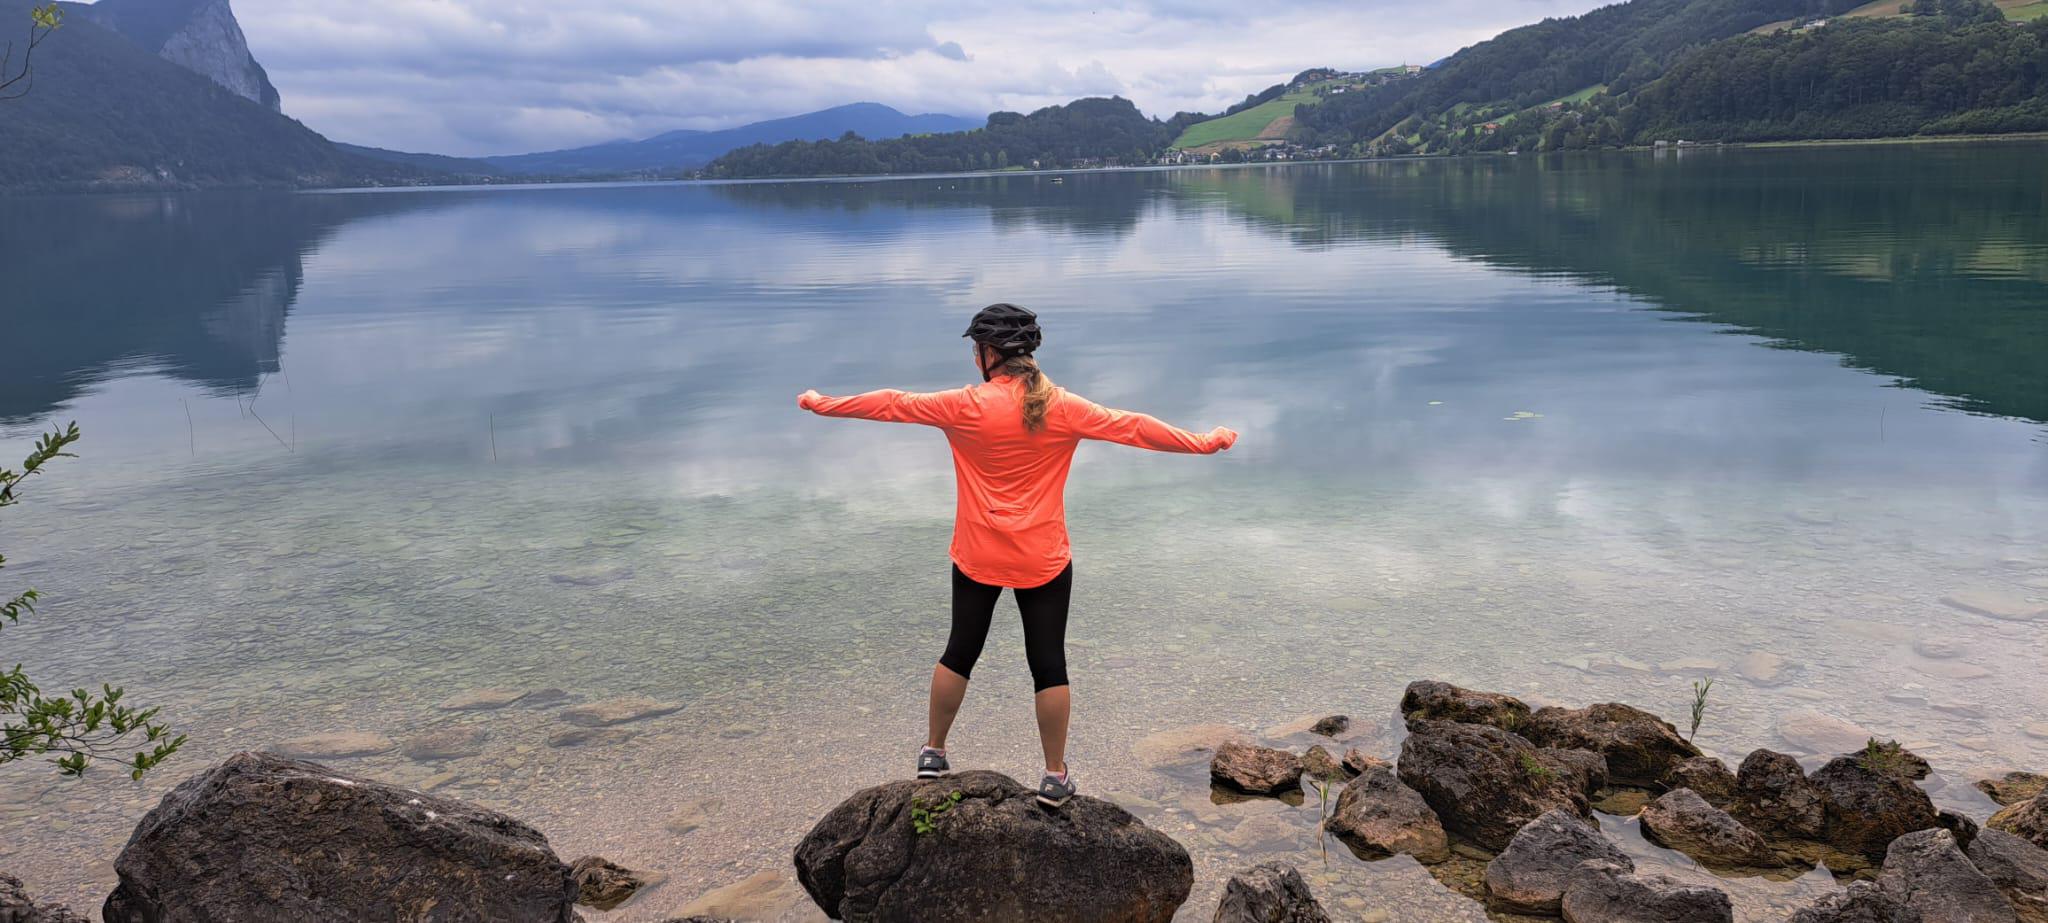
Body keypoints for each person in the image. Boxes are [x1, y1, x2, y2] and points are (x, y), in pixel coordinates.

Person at [796, 303, 1237, 807]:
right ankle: (1054, 775)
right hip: (1042, 559)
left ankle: (933, 753)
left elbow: (892, 403)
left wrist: (822, 402)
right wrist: (1205, 443)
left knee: (960, 650)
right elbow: (1133, 426)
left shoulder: (964, 405)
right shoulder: (1062, 406)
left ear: (988, 354)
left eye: (975, 350)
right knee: (1048, 664)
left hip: (977, 555)